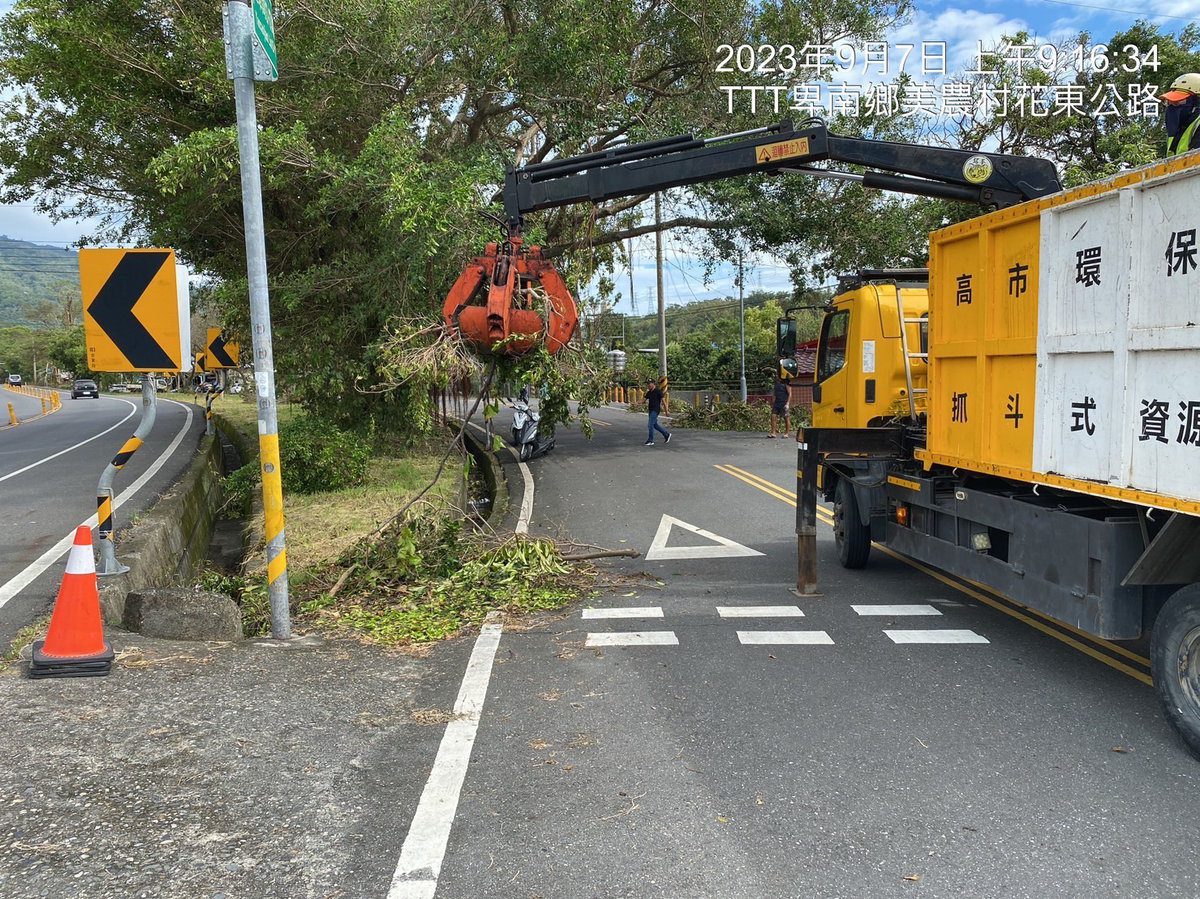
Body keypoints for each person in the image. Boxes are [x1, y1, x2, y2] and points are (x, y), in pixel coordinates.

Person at [1162, 74, 1200, 156]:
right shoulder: (1179, 129)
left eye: (1178, 101)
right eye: (1169, 102)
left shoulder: (1197, 123)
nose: (1172, 106)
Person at [644, 376, 671, 446]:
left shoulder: (658, 391)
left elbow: (664, 402)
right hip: (650, 410)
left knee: (650, 425)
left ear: (653, 384)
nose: (648, 385)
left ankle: (650, 440)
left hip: (655, 410)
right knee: (655, 425)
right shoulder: (649, 392)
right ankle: (666, 434)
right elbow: (643, 400)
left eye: (649, 383)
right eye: (647, 384)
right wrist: (637, 403)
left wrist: (666, 411)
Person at [769, 373, 791, 438]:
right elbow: (774, 394)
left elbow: (790, 394)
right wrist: (772, 402)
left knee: (786, 418)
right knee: (773, 416)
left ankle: (786, 433)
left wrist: (788, 403)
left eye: (777, 375)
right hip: (776, 403)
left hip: (784, 403)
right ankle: (773, 433)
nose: (776, 376)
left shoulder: (786, 384)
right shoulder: (776, 384)